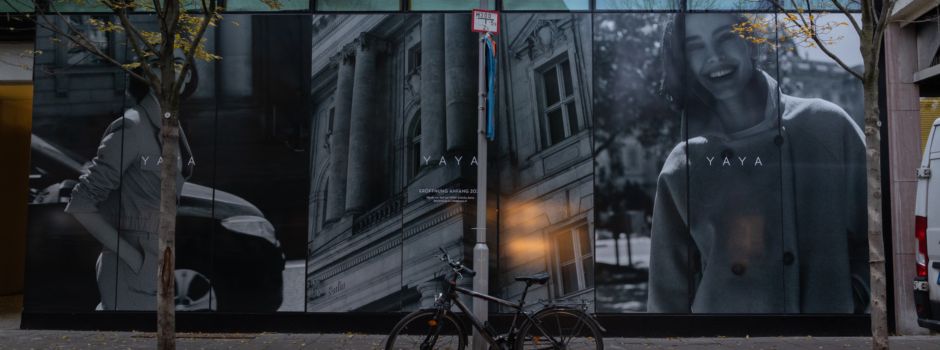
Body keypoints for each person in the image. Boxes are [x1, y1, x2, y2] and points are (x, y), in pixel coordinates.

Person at [646, 12, 869, 314]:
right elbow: (666, 301)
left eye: (725, 37)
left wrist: (851, 296)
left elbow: (879, 234)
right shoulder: (681, 166)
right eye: (694, 47)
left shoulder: (827, 127)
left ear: (751, 42)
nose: (714, 56)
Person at [65, 70, 194, 310]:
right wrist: (134, 259)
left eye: (181, 63)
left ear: (188, 76)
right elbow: (81, 203)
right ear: (144, 74)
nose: (174, 70)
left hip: (157, 255)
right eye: (160, 62)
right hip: (132, 264)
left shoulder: (169, 119)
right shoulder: (132, 126)